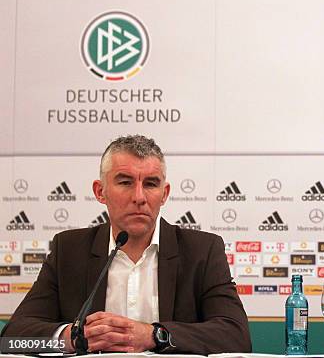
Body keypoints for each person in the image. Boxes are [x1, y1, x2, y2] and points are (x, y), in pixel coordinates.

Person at [1, 135, 251, 355]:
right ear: (100, 191)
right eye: (125, 182)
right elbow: (12, 339)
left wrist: (155, 336)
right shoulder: (69, 250)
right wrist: (72, 338)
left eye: (151, 184)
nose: (139, 197)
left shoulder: (202, 250)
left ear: (164, 194)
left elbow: (236, 337)